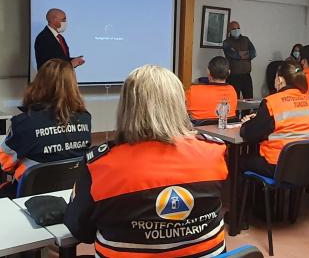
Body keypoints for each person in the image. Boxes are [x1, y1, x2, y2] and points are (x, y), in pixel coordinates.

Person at [64, 65, 228, 257]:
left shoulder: (99, 166)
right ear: (180, 105)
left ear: (127, 108)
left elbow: (80, 230)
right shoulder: (214, 152)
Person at [0, 59, 91, 198]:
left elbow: (4, 163)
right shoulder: (85, 118)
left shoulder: (24, 122)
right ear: (73, 85)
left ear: (39, 83)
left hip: (28, 198)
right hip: (72, 195)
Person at [240, 60, 309, 177]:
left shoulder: (272, 102)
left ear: (280, 80)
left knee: (240, 161)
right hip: (308, 163)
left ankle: (255, 195)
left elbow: (251, 134)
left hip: (278, 164)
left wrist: (248, 123)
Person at [186, 56, 238, 125]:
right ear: (229, 72)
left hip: (198, 134)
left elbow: (178, 109)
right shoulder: (232, 90)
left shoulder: (193, 91)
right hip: (225, 133)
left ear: (208, 71)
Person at [222, 21, 256, 99]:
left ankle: (247, 112)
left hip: (246, 75)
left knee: (249, 99)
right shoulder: (226, 42)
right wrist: (246, 54)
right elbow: (233, 55)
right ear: (229, 30)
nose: (236, 30)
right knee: (234, 99)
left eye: (238, 28)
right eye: (234, 28)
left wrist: (239, 54)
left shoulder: (246, 39)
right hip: (233, 76)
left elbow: (253, 53)